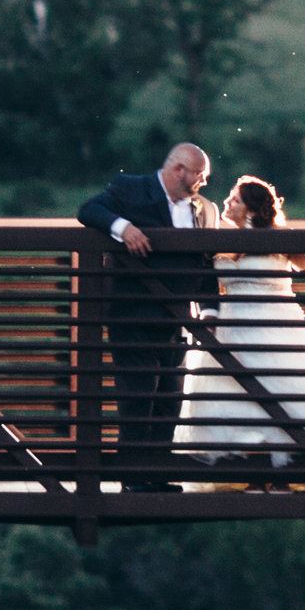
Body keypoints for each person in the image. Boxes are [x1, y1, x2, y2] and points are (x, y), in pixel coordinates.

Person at [174, 175, 305, 477]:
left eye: (235, 199)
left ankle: (292, 465)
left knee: (286, 390)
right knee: (233, 394)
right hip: (231, 329)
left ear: (252, 208)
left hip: (276, 327)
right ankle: (243, 469)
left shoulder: (279, 239)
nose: (227, 202)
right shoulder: (221, 241)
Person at [77, 142, 216, 489]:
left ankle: (156, 476)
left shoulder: (200, 209)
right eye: (200, 175)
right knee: (138, 398)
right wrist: (123, 228)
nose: (204, 182)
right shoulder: (132, 189)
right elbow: (89, 209)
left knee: (169, 400)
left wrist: (210, 309)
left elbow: (204, 262)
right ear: (179, 170)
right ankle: (133, 480)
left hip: (176, 322)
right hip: (133, 317)